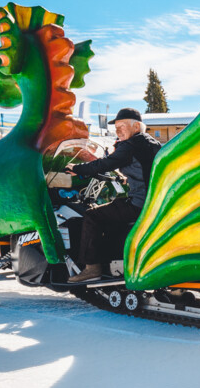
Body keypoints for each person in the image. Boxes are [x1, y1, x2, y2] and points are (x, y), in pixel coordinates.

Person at [64, 108, 162, 282]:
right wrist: (127, 178)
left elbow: (106, 164)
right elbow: (144, 169)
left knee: (92, 215)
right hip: (154, 202)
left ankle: (92, 267)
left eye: (122, 126)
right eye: (116, 127)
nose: (117, 130)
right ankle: (112, 259)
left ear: (137, 126)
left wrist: (77, 169)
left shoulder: (130, 145)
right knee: (113, 210)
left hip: (139, 204)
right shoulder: (152, 143)